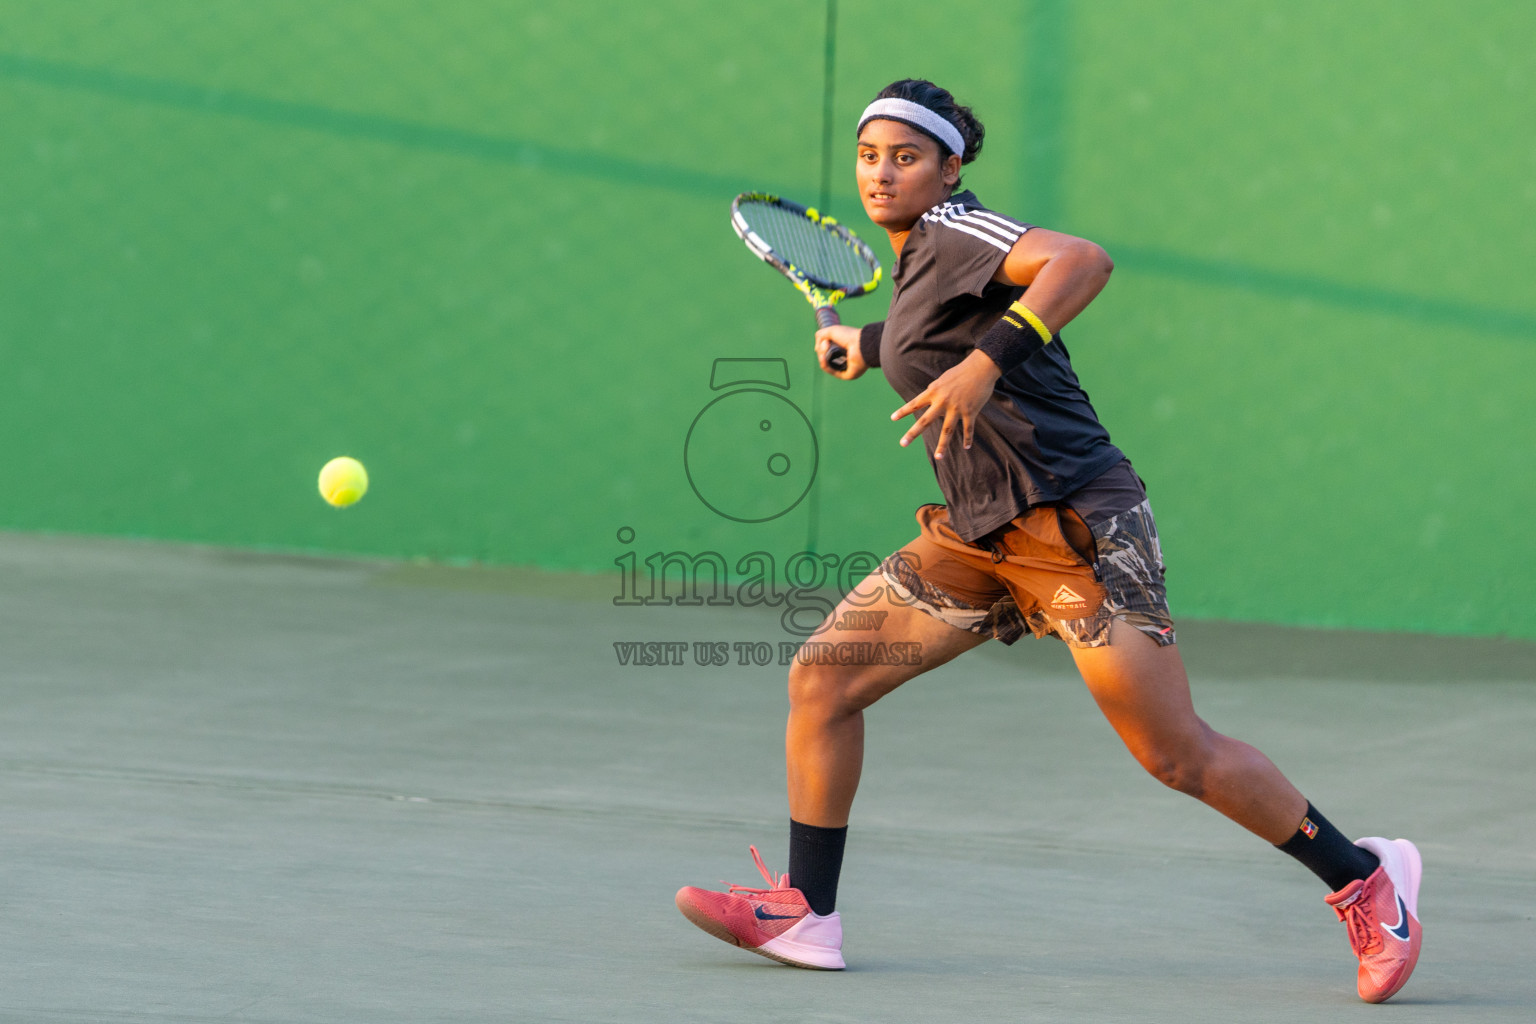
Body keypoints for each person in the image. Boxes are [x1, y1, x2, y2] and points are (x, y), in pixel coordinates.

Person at [675, 79, 1422, 1003]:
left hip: (1076, 525)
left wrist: (987, 367)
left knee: (1175, 754)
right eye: (869, 156)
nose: (882, 174)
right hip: (978, 533)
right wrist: (866, 345)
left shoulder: (956, 227)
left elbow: (1083, 261)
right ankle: (807, 913)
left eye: (905, 157)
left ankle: (1366, 881)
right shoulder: (916, 263)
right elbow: (932, 336)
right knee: (825, 678)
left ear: (948, 168)